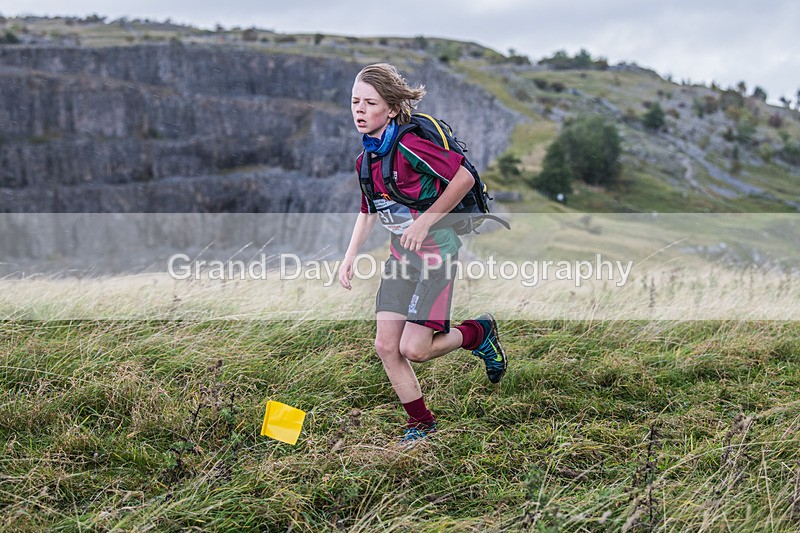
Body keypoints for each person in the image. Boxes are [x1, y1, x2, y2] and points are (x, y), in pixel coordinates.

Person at [337, 63, 508, 445]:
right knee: (386, 346)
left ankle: (478, 333)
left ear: (392, 108)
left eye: (370, 103)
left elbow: (464, 177)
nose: (359, 110)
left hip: (436, 255)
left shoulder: (410, 146)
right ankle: (422, 423)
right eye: (355, 101)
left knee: (414, 349)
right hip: (401, 259)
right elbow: (369, 210)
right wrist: (349, 257)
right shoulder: (366, 160)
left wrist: (424, 222)